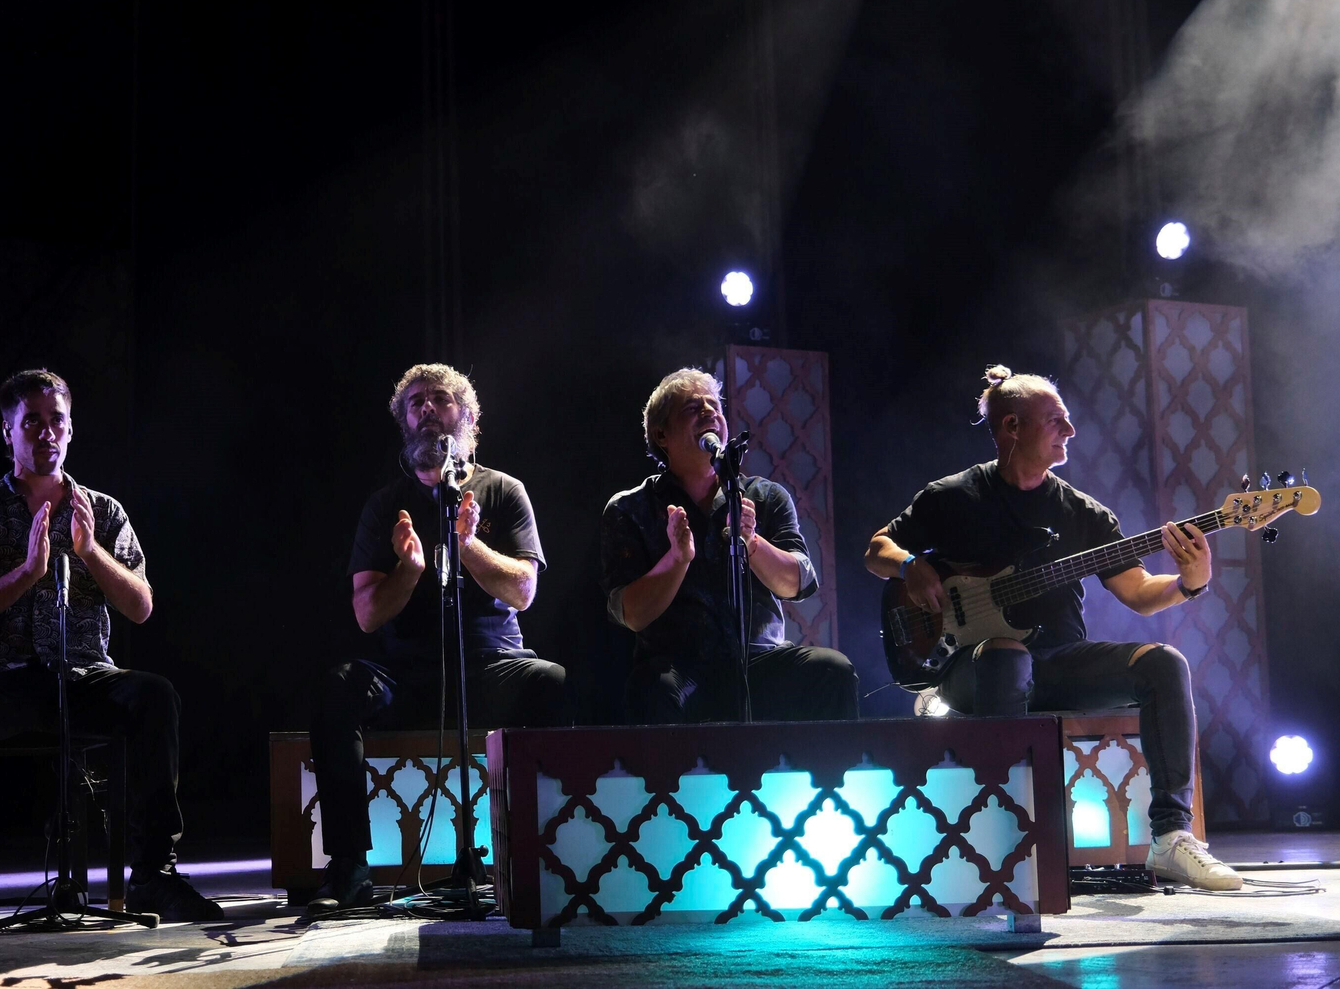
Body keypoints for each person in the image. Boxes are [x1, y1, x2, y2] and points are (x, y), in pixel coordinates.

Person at [864, 364, 1240, 891]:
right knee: (1006, 655)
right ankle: (1003, 835)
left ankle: (1171, 838)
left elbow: (1138, 593)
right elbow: (876, 549)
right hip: (971, 666)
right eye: (1056, 420)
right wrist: (909, 565)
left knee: (1163, 662)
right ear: (1012, 426)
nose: (1071, 430)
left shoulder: (1082, 513)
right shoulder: (952, 496)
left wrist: (1189, 582)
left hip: (1059, 662)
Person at [0, 369, 222, 935]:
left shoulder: (102, 511)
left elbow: (141, 605)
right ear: (8, 432)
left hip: (83, 674)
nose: (46, 433)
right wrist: (26, 573)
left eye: (56, 421)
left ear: (70, 429)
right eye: (32, 423)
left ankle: (153, 875)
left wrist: (90, 552)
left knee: (155, 696)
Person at [308, 364, 568, 915]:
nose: (428, 408)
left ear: (467, 417)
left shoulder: (503, 491)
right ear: (404, 422)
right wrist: (407, 571)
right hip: (409, 672)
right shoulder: (386, 506)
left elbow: (524, 591)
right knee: (339, 688)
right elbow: (366, 615)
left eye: (441, 399)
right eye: (416, 402)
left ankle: (541, 858)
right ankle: (350, 867)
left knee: (553, 683)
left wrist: (469, 547)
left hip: (492, 663)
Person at [601, 368, 858, 724]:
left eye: (714, 406)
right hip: (680, 666)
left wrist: (752, 544)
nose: (710, 412)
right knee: (651, 690)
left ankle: (828, 765)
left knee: (831, 670)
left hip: (759, 660)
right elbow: (631, 614)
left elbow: (797, 583)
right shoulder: (630, 508)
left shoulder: (765, 496)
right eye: (693, 408)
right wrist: (677, 560)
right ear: (662, 434)